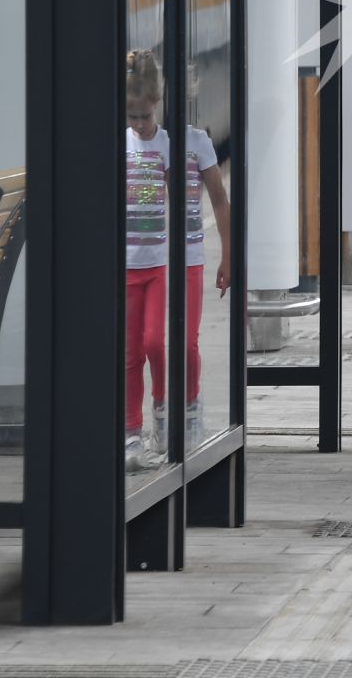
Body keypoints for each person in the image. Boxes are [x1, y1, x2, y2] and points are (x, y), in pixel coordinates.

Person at [123, 49, 231, 472]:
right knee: (132, 349)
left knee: (169, 341)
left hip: (180, 259)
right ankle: (133, 429)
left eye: (145, 117)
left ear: (159, 105)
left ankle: (180, 405)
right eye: (131, 117)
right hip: (133, 260)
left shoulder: (191, 143)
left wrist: (228, 257)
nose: (139, 126)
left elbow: (219, 200)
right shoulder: (124, 145)